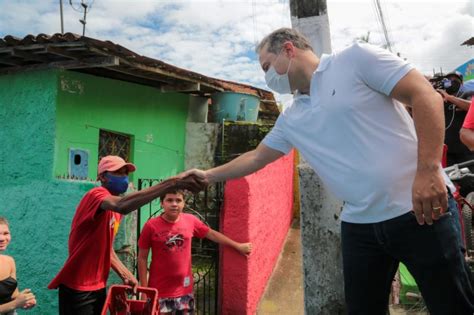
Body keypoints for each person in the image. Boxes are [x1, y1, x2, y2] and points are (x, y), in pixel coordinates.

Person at [183, 28, 474, 314]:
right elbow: (256, 157)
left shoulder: (355, 59)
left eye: (267, 67)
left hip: (420, 209)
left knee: (452, 304)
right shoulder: (292, 118)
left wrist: (428, 171)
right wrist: (207, 176)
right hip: (360, 226)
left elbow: (426, 96)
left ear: (288, 48)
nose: (267, 77)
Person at [48, 155, 205, 315]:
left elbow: (107, 248)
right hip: (78, 287)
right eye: (118, 173)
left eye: (125, 173)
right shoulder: (96, 195)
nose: (124, 178)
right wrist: (170, 184)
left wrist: (125, 273)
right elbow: (122, 205)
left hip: (98, 285)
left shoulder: (113, 212)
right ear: (102, 176)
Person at [138, 190, 252, 315]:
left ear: (184, 204)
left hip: (185, 292)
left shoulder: (190, 220)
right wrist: (144, 291)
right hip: (159, 292)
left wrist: (237, 246)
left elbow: (212, 234)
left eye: (178, 200)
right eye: (170, 200)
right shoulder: (151, 226)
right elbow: (142, 258)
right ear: (161, 203)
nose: (174, 204)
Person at [0, 217, 36, 314]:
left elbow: (13, 295)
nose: (2, 238)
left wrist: (25, 301)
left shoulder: (9, 261)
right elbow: (15, 303)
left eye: (5, 233)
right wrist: (16, 303)